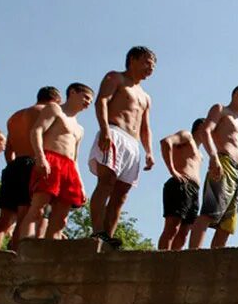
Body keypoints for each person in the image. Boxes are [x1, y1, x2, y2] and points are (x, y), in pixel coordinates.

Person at [87, 46, 156, 247]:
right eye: (146, 62)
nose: (150, 68)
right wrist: (105, 130)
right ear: (132, 60)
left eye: (152, 65)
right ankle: (97, 231)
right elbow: (101, 102)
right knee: (106, 181)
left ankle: (108, 235)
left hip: (133, 144)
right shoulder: (115, 78)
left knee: (121, 194)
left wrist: (149, 151)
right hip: (114, 132)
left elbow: (145, 127)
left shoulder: (146, 96)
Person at [0, 86, 60, 252]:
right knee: (27, 215)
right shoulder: (47, 112)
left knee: (4, 220)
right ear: (56, 100)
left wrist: (12, 168)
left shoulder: (15, 117)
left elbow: (9, 150)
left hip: (15, 165)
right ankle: (18, 257)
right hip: (34, 164)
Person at [188, 85, 238, 250]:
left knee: (227, 225)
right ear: (237, 94)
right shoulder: (221, 110)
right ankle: (192, 253)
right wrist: (213, 157)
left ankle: (214, 261)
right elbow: (205, 131)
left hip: (237, 171)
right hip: (222, 162)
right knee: (210, 212)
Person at [23, 83, 93, 240]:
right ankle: (26, 247)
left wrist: (81, 185)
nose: (88, 102)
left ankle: (51, 251)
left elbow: (75, 157)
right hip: (51, 158)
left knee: (61, 218)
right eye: (86, 97)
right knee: (38, 209)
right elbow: (37, 130)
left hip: (69, 167)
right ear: (73, 93)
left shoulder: (80, 128)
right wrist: (40, 157)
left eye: (90, 100)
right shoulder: (54, 109)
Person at [158, 119, 205, 250]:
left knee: (184, 234)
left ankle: (173, 264)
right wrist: (172, 171)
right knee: (172, 227)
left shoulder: (201, 154)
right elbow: (165, 142)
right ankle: (161, 261)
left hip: (194, 190)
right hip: (180, 184)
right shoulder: (187, 136)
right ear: (200, 127)